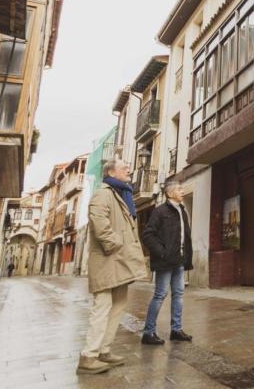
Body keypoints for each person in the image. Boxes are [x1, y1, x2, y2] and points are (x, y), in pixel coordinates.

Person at [77, 159, 149, 375]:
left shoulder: (121, 194)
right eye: (124, 167)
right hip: (108, 260)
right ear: (111, 171)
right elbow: (99, 221)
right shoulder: (103, 193)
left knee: (118, 304)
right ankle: (88, 356)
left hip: (119, 261)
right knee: (102, 306)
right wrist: (115, 244)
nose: (129, 169)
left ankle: (103, 350)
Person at [140, 180, 193, 345]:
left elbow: (184, 237)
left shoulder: (182, 211)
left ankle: (176, 330)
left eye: (182, 189)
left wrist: (186, 257)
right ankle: (148, 333)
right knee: (160, 294)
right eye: (179, 189)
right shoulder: (160, 211)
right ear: (170, 193)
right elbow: (148, 234)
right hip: (165, 261)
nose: (182, 191)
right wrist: (162, 252)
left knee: (178, 294)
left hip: (179, 260)